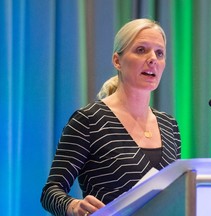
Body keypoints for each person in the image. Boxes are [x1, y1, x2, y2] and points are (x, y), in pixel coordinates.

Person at [41, 18, 181, 216]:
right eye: (141, 50)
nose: (152, 59)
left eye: (159, 53)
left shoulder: (169, 125)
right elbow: (50, 192)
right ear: (117, 60)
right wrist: (73, 206)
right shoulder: (89, 120)